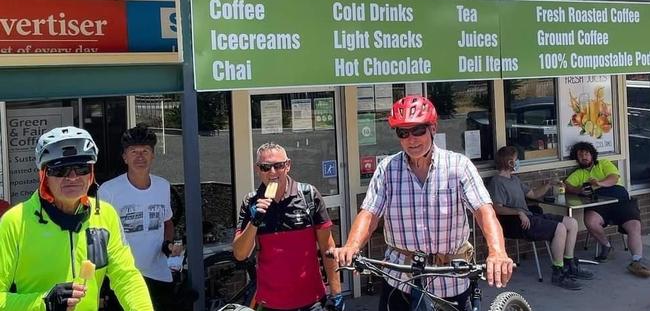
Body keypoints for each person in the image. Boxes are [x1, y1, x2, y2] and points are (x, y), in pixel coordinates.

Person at [331, 95, 513, 311]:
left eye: (418, 130)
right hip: (401, 280)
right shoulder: (387, 169)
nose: (412, 139)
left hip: (450, 280)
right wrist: (352, 246)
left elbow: (484, 212)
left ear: (433, 128)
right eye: (403, 132)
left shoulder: (458, 166)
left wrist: (497, 252)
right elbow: (369, 214)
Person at [0, 126, 153, 311]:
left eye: (81, 168)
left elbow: (126, 277)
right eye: (60, 169)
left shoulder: (105, 214)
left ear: (91, 174)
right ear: (44, 176)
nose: (72, 177)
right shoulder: (14, 222)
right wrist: (43, 303)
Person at [233, 142, 343, 311]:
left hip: (312, 302)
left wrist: (336, 294)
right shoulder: (251, 202)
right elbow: (240, 254)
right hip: (270, 304)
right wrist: (254, 222)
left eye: (278, 166)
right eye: (265, 167)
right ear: (257, 169)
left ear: (288, 166)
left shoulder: (309, 195)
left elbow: (327, 247)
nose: (272, 172)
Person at [98, 124, 181, 311]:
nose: (140, 156)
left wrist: (168, 245)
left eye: (145, 151)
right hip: (123, 278)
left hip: (158, 275)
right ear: (124, 157)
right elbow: (99, 236)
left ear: (153, 155)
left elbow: (167, 222)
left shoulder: (163, 186)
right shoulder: (109, 191)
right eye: (133, 151)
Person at [488, 146, 593, 290]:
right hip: (516, 223)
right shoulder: (497, 182)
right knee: (560, 228)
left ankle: (570, 264)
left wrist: (549, 184)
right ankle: (558, 271)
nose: (518, 162)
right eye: (516, 159)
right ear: (509, 162)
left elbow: (533, 194)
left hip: (529, 216)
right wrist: (518, 212)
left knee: (571, 223)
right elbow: (497, 207)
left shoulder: (514, 179)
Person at [565, 141, 650, 278]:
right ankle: (607, 246)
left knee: (634, 226)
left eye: (586, 154)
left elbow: (614, 178)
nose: (584, 157)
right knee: (590, 220)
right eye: (580, 155)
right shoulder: (579, 173)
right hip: (599, 205)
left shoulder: (604, 163)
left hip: (620, 201)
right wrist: (578, 190)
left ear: (592, 155)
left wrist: (599, 184)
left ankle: (636, 261)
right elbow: (566, 186)